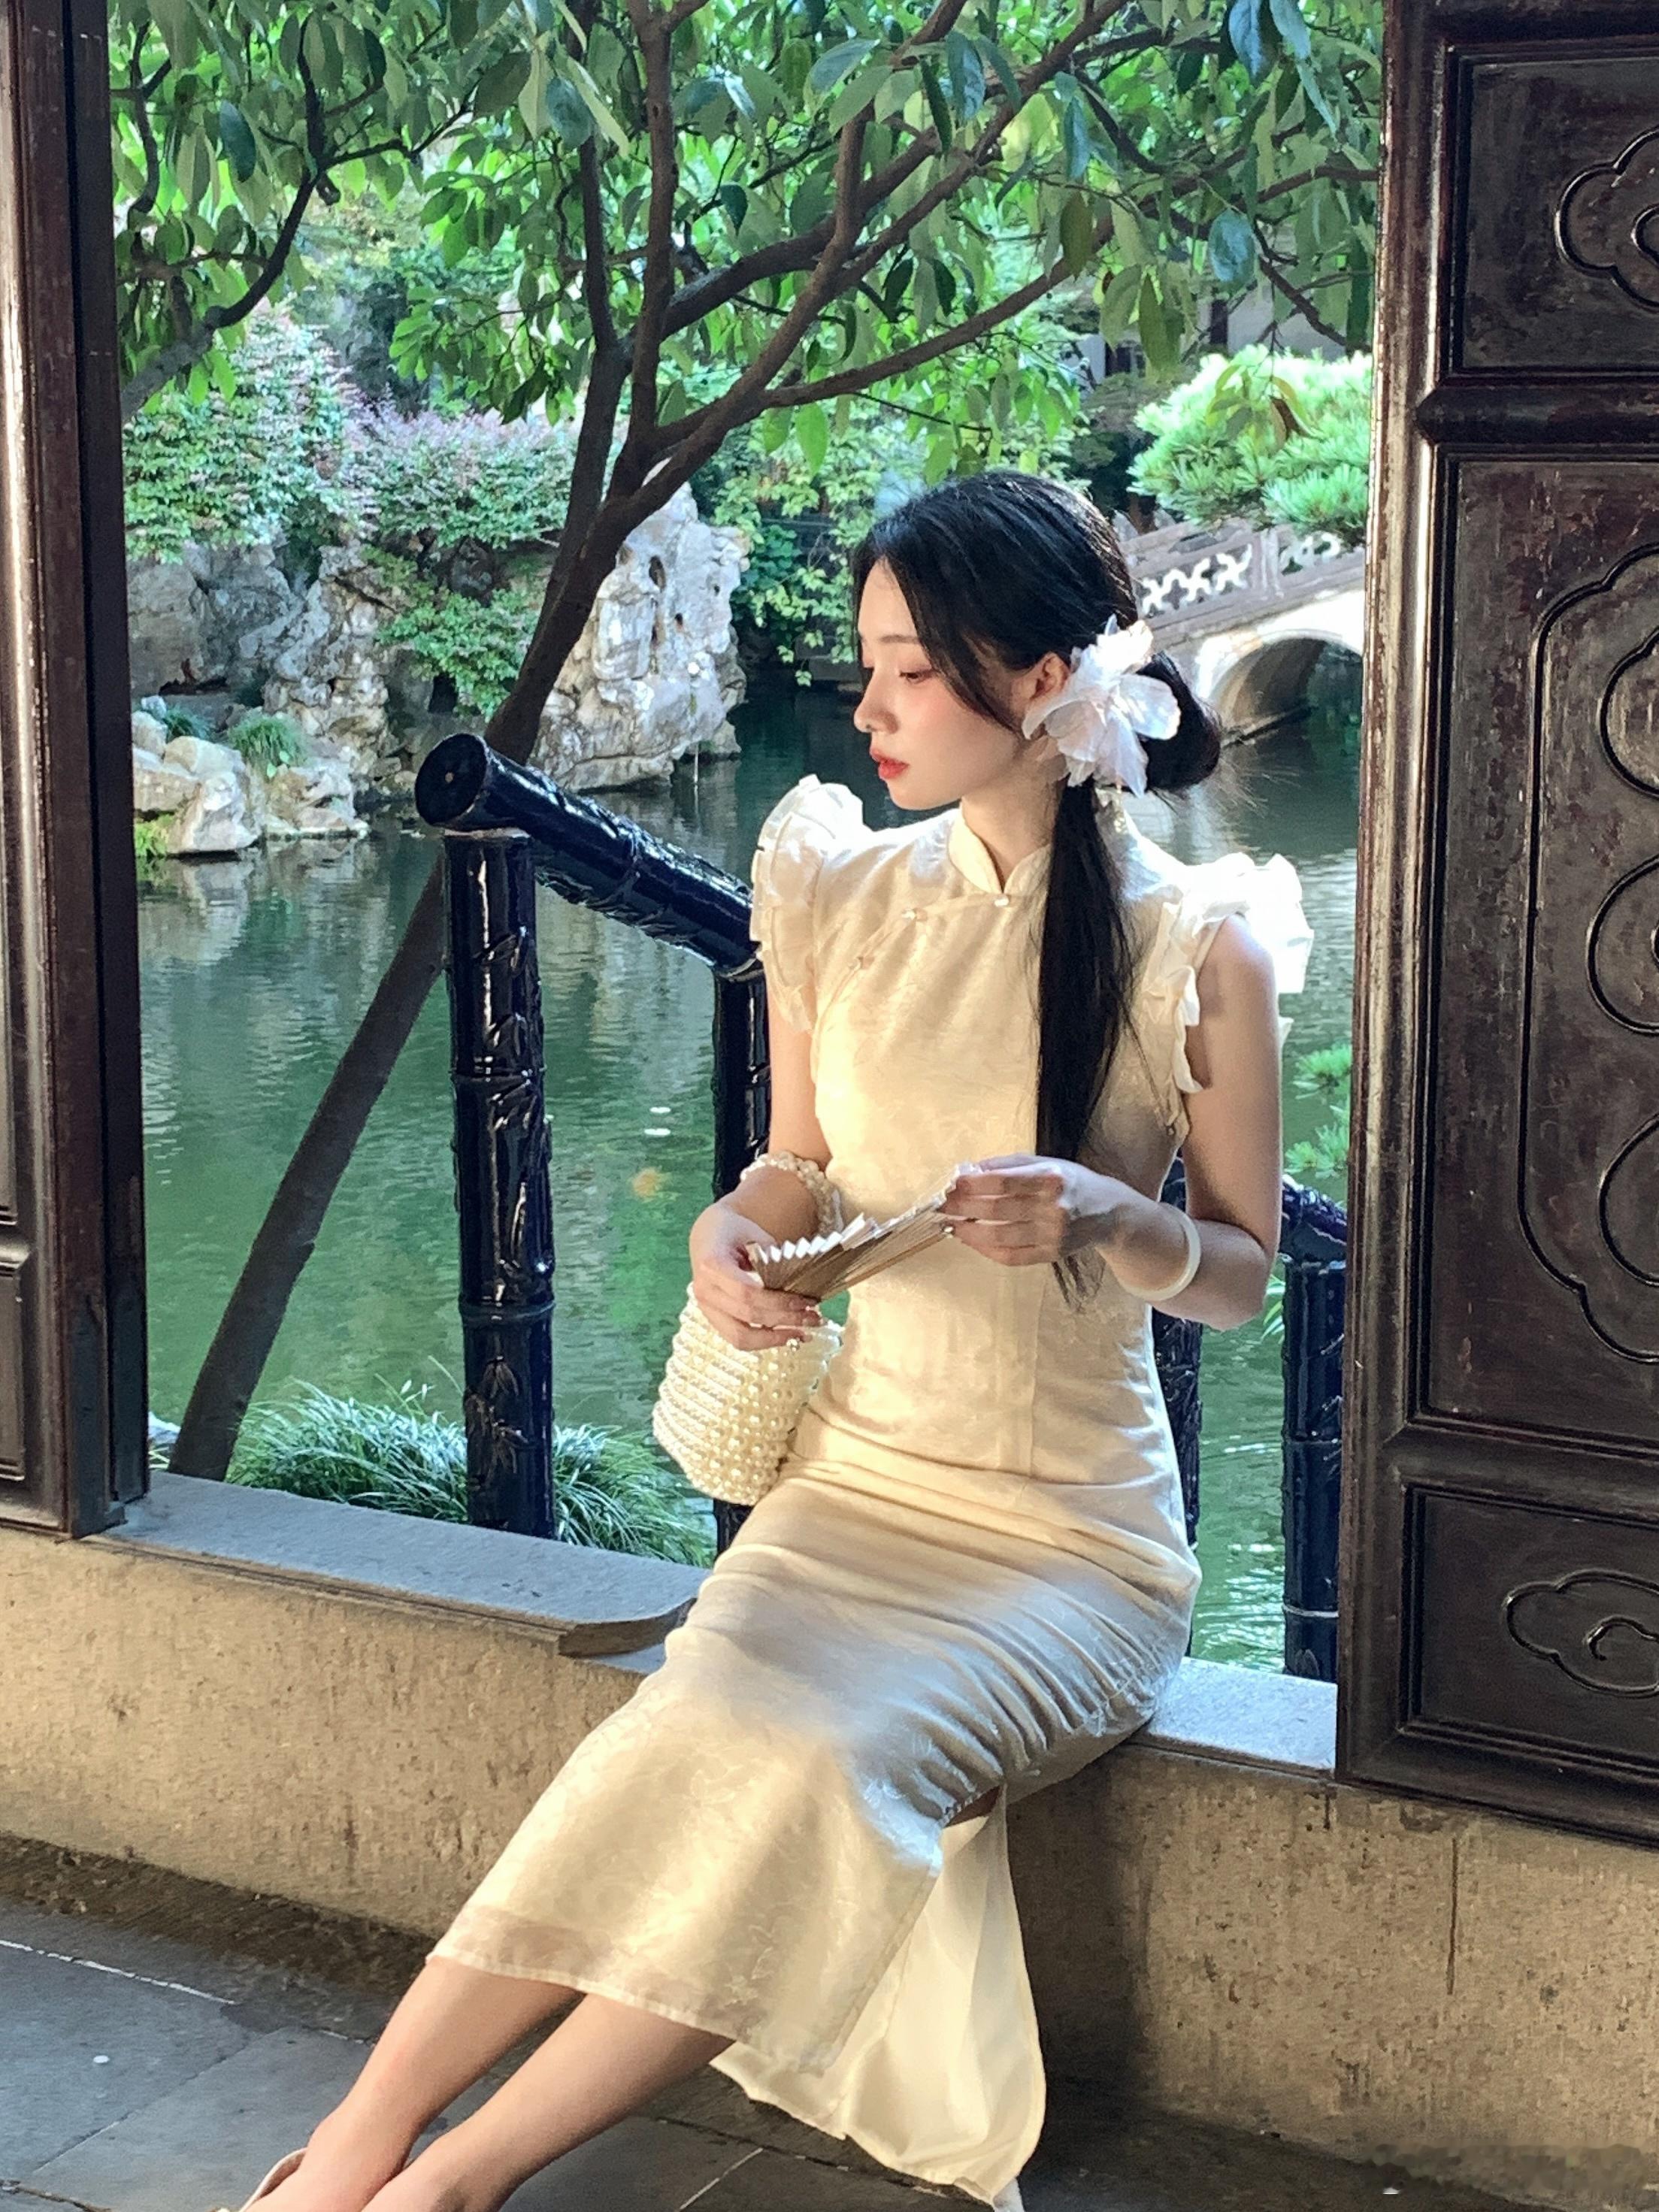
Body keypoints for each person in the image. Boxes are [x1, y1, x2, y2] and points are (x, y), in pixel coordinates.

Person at [226, 471, 1312, 2212]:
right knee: (677, 1734)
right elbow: (792, 1165)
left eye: (910, 671)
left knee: (817, 1762)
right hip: (849, 1491)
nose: (868, 707)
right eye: (868, 665)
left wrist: (1107, 1216)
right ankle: (353, 2143)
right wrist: (729, 1233)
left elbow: (1246, 1272)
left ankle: (457, 2180)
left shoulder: (1198, 943)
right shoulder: (835, 891)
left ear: (1045, 681)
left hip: (1070, 1547)